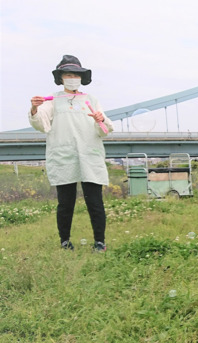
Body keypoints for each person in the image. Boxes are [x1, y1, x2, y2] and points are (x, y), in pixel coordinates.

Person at [28, 55, 113, 252]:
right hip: (63, 155)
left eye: (75, 74)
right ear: (61, 77)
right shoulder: (53, 100)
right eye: (68, 74)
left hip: (89, 154)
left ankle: (100, 242)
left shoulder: (91, 100)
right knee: (65, 203)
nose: (72, 77)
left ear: (81, 77)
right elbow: (41, 124)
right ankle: (65, 242)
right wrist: (34, 108)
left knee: (95, 202)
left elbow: (105, 129)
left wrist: (100, 119)